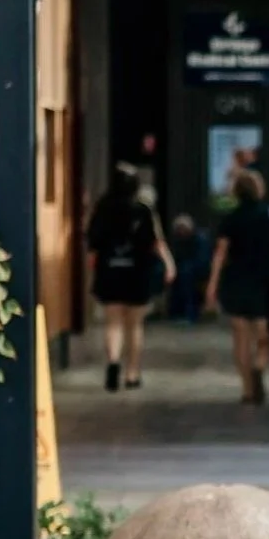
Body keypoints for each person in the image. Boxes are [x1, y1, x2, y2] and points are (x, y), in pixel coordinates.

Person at [86, 165, 173, 392]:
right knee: (134, 326)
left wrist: (93, 270)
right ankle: (132, 374)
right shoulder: (143, 210)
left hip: (110, 271)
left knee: (113, 323)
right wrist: (169, 264)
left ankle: (113, 362)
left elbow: (93, 246)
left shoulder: (102, 208)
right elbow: (156, 242)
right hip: (138, 272)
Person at [205, 167, 269, 404]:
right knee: (264, 335)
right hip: (263, 281)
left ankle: (247, 389)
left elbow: (220, 254)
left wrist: (212, 285)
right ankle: (259, 367)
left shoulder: (231, 218)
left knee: (240, 337)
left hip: (236, 281)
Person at [167, 213, 210, 324]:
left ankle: (191, 314)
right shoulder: (179, 240)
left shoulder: (200, 239)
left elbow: (203, 259)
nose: (181, 232)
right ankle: (175, 313)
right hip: (183, 270)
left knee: (187, 278)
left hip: (198, 270)